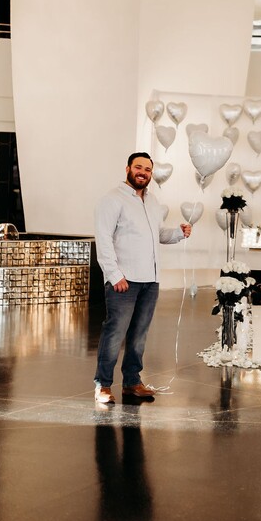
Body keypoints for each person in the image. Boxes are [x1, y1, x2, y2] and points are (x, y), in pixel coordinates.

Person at [93, 152, 192, 404]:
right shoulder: (112, 199)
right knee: (115, 333)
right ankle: (103, 385)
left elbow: (158, 234)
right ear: (128, 169)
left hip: (151, 280)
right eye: (138, 167)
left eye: (147, 170)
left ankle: (132, 382)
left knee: (139, 335)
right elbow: (103, 240)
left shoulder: (152, 201)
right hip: (124, 280)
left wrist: (178, 233)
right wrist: (114, 275)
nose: (143, 173)